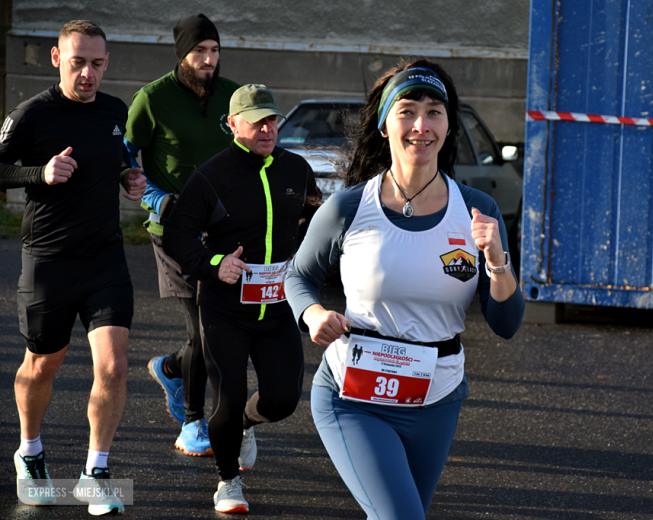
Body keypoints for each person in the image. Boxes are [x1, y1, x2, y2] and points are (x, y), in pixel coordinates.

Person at [284, 59, 525, 519]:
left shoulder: (478, 211)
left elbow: (507, 323)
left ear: (449, 126)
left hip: (437, 399)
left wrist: (497, 261)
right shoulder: (348, 207)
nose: (421, 125)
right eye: (407, 111)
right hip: (354, 397)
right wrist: (313, 314)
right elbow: (298, 275)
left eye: (434, 112)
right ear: (384, 126)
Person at [0, 20, 146, 516]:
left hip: (105, 258)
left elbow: (119, 159)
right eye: (79, 62)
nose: (88, 73)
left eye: (97, 64)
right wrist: (38, 173)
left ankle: (95, 474)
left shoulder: (114, 110)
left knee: (114, 366)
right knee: (43, 363)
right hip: (49, 260)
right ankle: (30, 452)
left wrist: (129, 178)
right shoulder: (31, 115)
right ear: (57, 58)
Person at [162, 84, 321, 513]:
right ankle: (228, 481)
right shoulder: (211, 176)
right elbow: (177, 235)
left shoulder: (296, 169)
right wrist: (214, 263)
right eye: (256, 122)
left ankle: (247, 425)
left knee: (283, 399)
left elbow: (315, 223)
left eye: (272, 121)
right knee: (228, 400)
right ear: (233, 124)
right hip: (224, 310)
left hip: (278, 308)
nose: (267, 129)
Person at [124, 13, 240, 456]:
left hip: (223, 229)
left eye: (214, 51)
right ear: (182, 55)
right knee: (203, 327)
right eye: (199, 52)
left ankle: (171, 368)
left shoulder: (232, 96)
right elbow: (125, 157)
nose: (209, 60)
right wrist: (156, 199)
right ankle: (193, 421)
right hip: (173, 229)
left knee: (217, 328)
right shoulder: (152, 99)